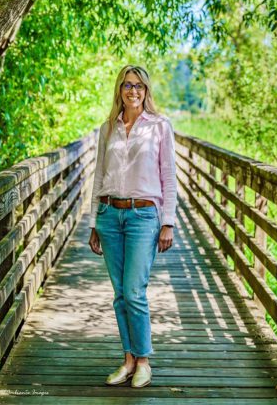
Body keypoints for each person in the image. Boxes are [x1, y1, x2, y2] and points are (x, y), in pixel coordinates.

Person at [87, 65, 177, 388]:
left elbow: (169, 177)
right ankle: (127, 360)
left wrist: (168, 222)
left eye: (139, 86)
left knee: (135, 291)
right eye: (127, 85)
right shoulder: (107, 128)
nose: (133, 91)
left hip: (143, 217)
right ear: (119, 90)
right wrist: (94, 221)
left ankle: (144, 361)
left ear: (146, 91)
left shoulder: (160, 126)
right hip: (111, 215)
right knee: (120, 293)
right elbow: (99, 176)